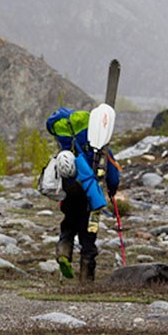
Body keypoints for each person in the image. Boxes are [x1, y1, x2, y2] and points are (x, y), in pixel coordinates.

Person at [45, 107, 120, 281]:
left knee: (69, 223)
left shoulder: (64, 143)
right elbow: (112, 172)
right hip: (91, 193)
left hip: (69, 190)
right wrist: (112, 189)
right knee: (88, 235)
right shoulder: (96, 141)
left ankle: (64, 250)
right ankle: (86, 279)